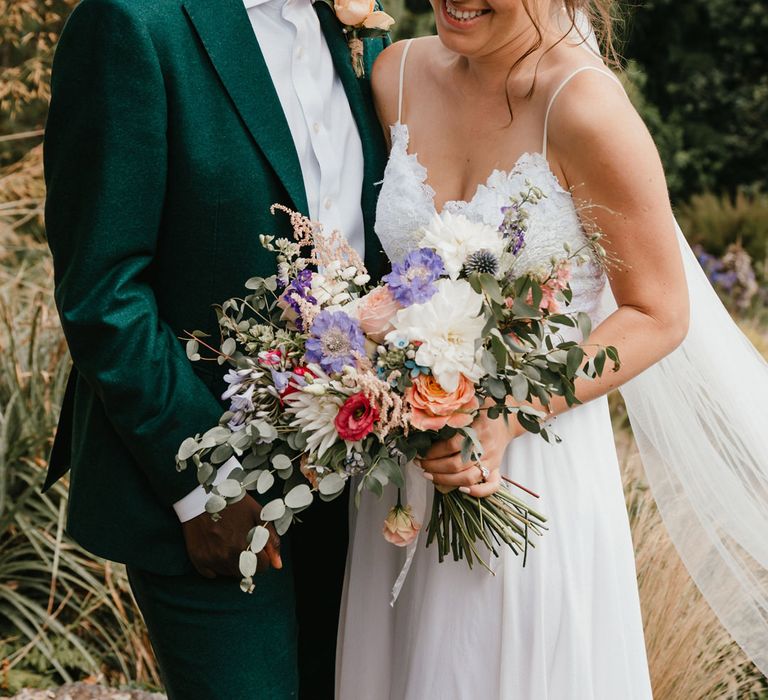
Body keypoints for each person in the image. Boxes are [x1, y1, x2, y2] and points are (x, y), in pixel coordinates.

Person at [337, 1, 768, 698]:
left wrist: (507, 414)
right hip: (401, 481)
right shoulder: (396, 73)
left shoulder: (583, 106)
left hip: (533, 475)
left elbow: (657, 311)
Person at [42, 0, 388, 697]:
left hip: (360, 489)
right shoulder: (132, 23)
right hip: (213, 499)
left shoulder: (363, 35)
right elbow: (104, 292)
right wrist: (208, 485)